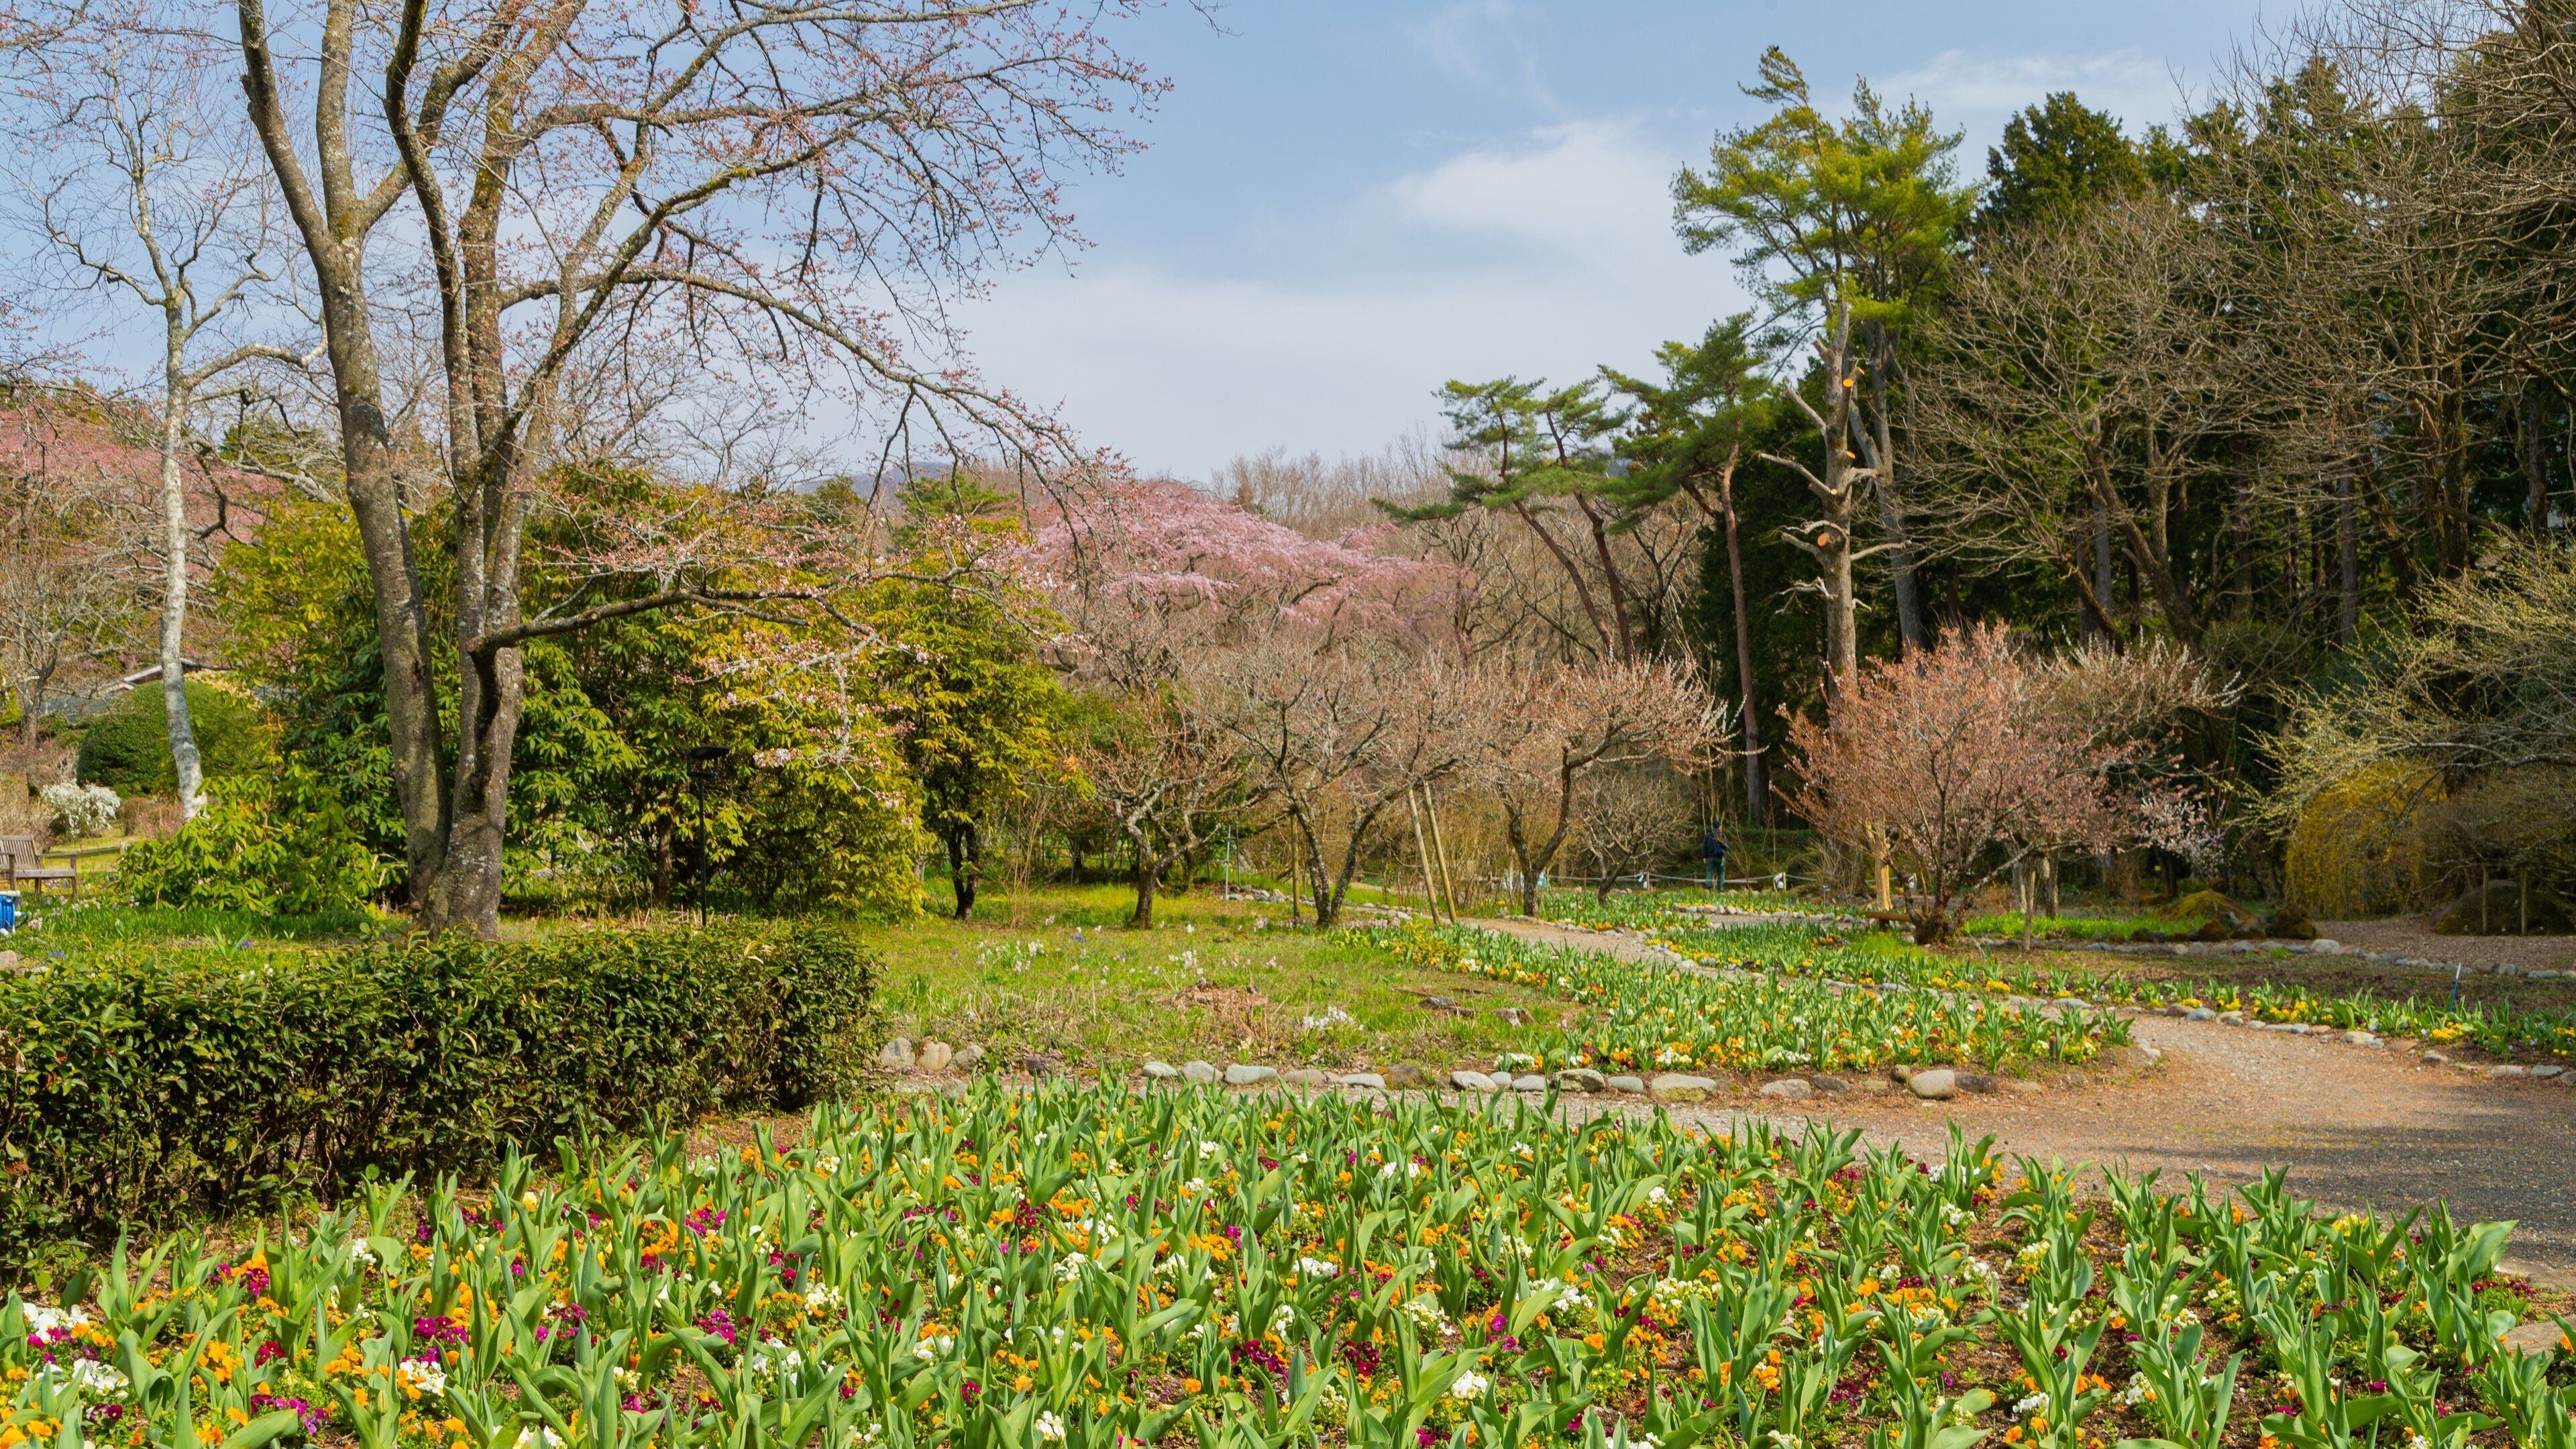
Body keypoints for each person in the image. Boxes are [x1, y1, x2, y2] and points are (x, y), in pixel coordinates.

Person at [1700, 824, 1729, 894]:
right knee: (1721, 874)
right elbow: (1726, 846)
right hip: (1720, 858)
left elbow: (1704, 847)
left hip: (1710, 858)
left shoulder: (1708, 835)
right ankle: (1720, 890)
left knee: (1709, 872)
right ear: (1719, 826)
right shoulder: (1722, 835)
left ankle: (1708, 889)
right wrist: (1725, 853)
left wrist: (1704, 857)